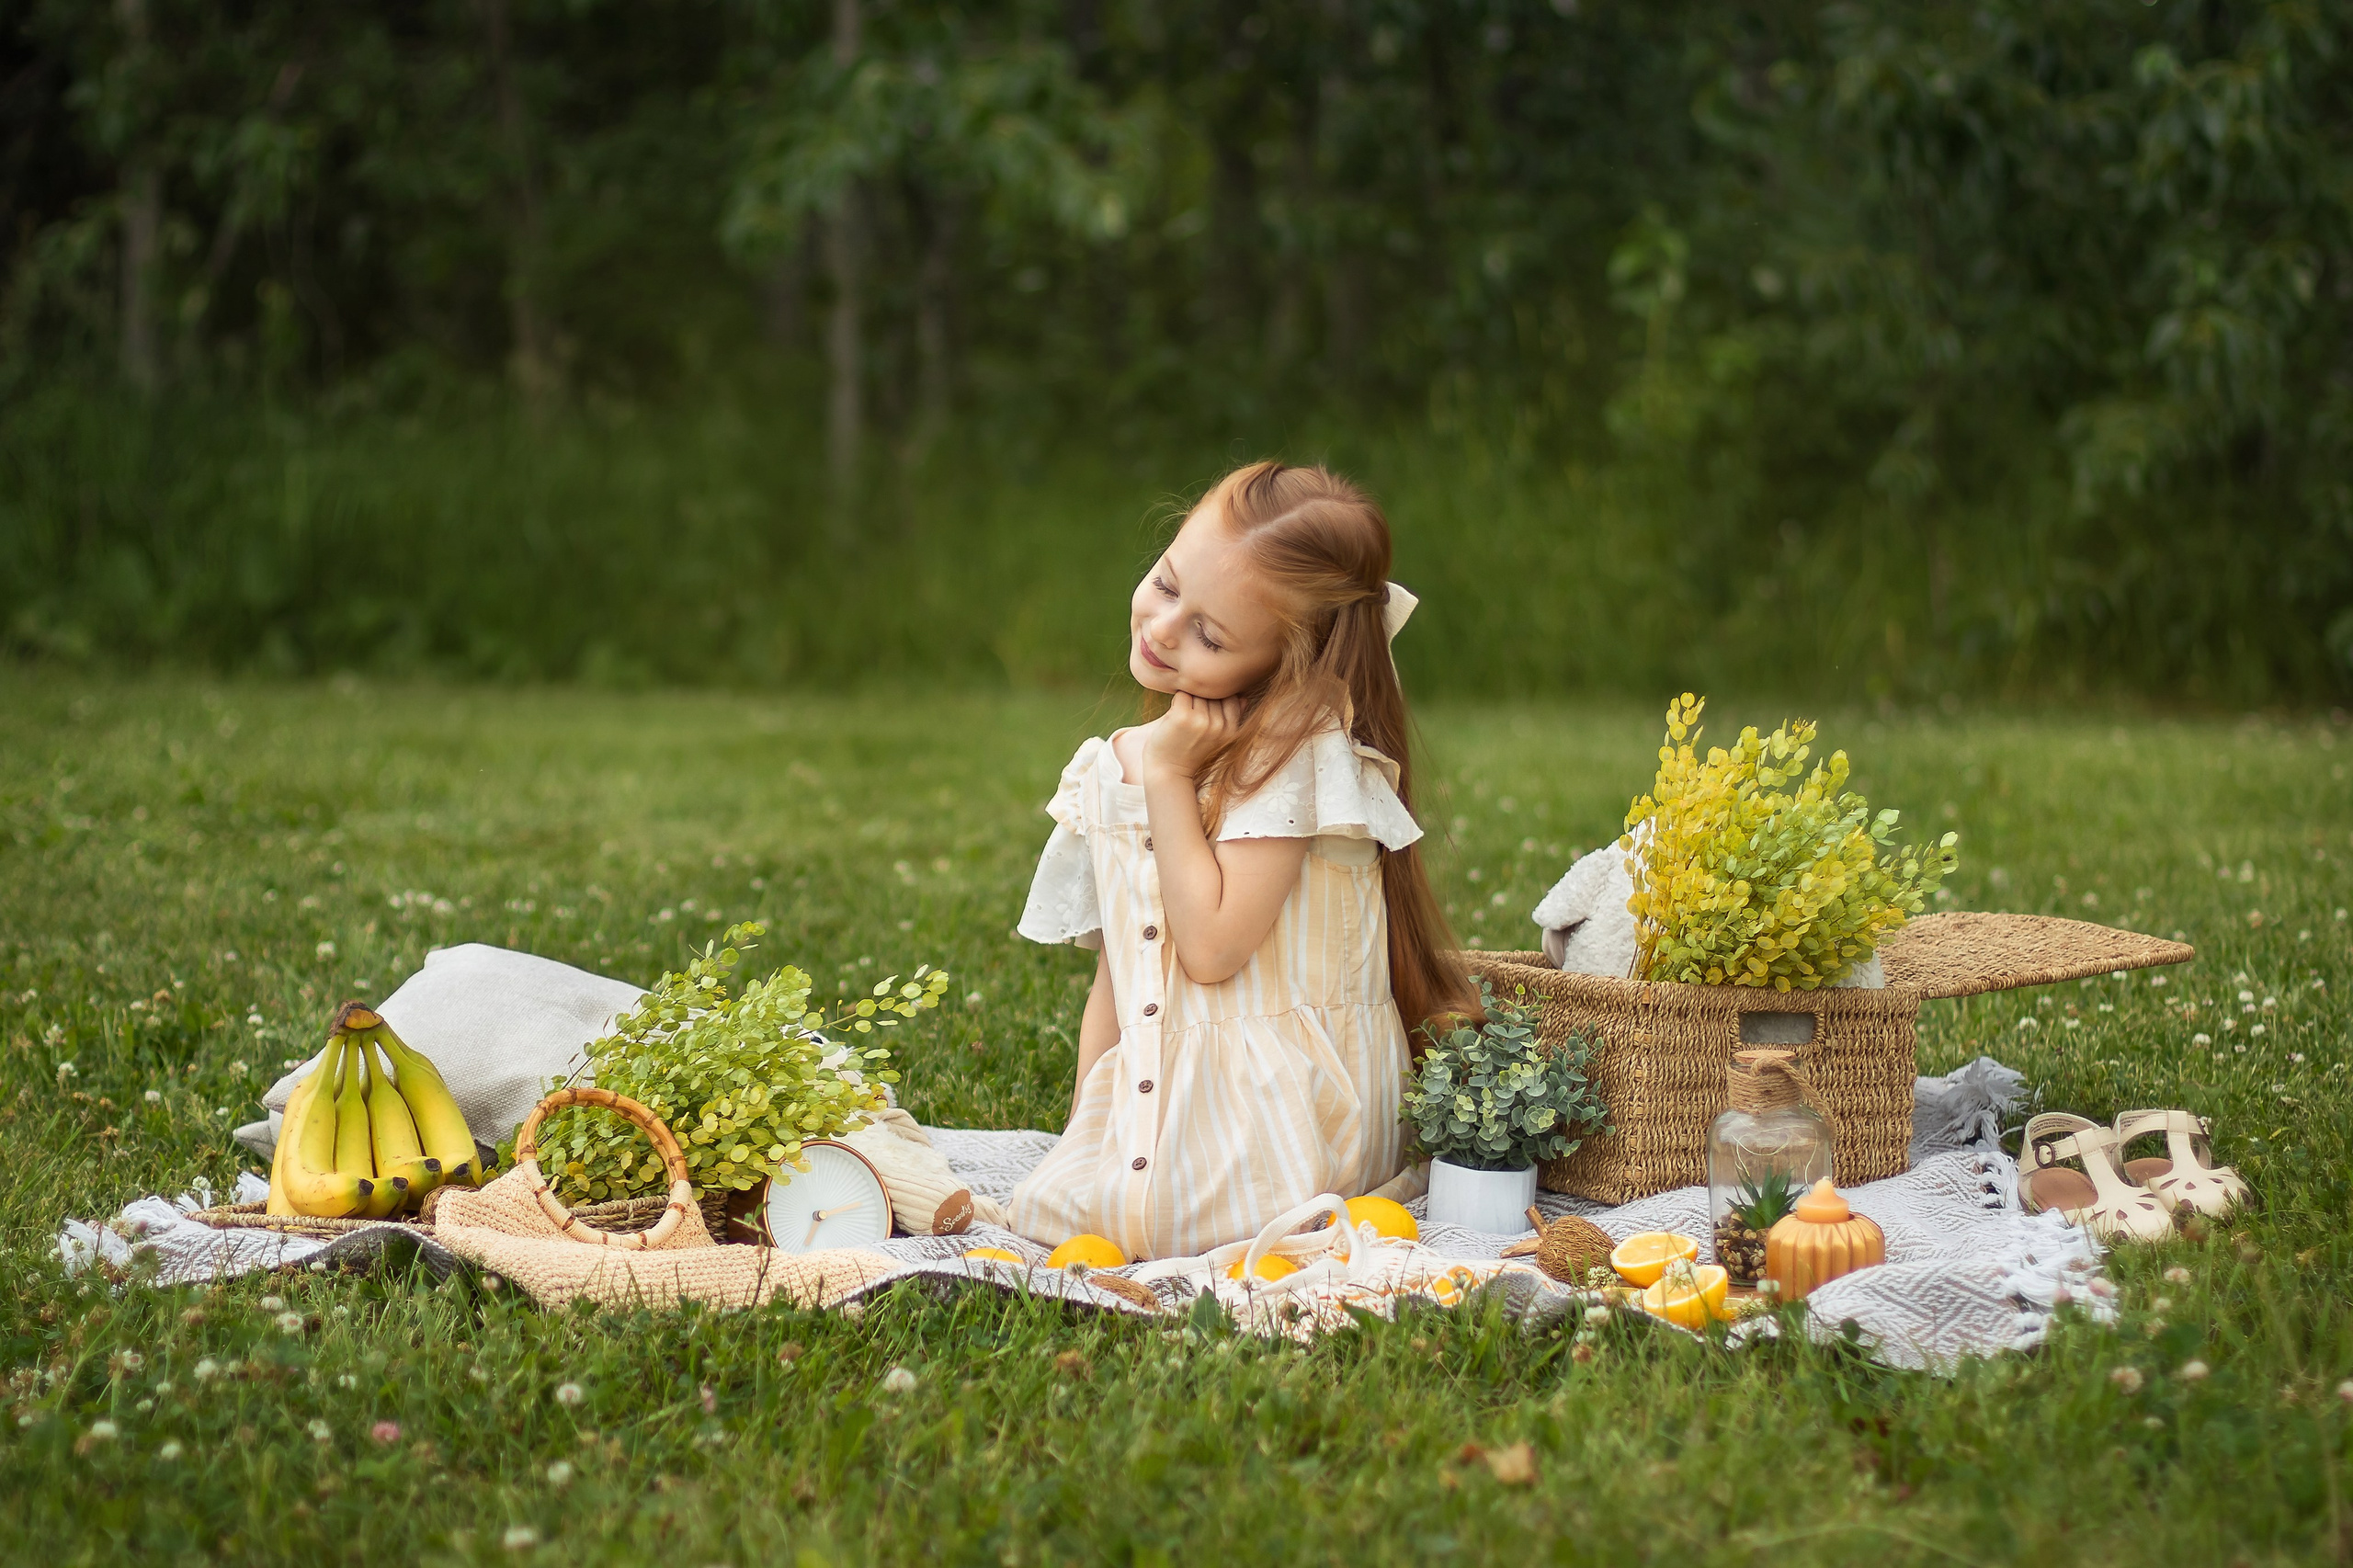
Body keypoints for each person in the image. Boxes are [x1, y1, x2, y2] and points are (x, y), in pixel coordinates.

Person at [1010, 460, 1470, 1259]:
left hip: (1281, 1108)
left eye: (1209, 635)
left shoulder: (1294, 760)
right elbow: (1121, 983)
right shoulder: (1109, 765)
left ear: (1285, 661)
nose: (1161, 628)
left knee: (1192, 1228)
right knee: (1075, 1209)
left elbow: (1213, 949)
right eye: (1165, 583)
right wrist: (1089, 1130)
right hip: (1175, 1091)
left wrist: (1169, 777)